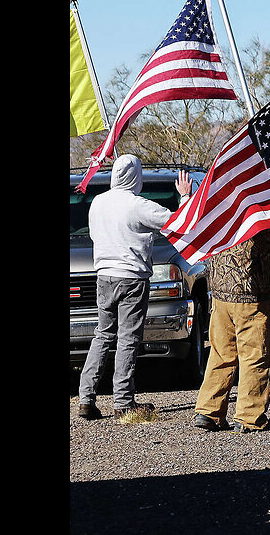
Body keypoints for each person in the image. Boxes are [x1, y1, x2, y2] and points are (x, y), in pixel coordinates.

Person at [78, 155, 192, 420]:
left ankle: (86, 398)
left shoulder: (98, 202)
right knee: (128, 338)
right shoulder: (138, 205)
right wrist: (184, 197)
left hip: (104, 277)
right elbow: (178, 224)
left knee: (103, 335)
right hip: (132, 278)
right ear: (136, 176)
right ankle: (123, 401)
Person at [191, 222, 270, 432]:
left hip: (220, 293)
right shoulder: (260, 212)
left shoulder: (223, 208)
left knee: (221, 353)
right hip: (252, 294)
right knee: (256, 355)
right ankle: (249, 417)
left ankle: (208, 411)